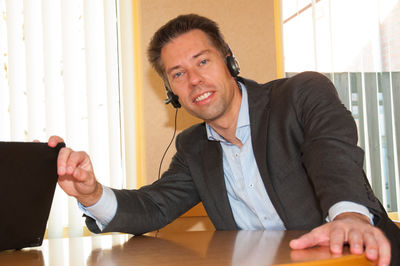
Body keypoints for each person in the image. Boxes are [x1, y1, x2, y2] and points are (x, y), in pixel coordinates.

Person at [48, 14, 400, 266]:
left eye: (203, 61)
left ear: (230, 61)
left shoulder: (299, 96)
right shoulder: (193, 148)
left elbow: (333, 155)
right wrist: (91, 194)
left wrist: (350, 217)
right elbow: (154, 206)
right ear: (172, 94)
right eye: (178, 74)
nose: (195, 80)